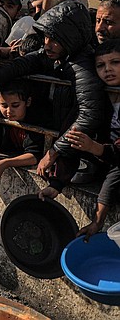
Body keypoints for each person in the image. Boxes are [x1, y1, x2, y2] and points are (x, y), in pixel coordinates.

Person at [0, 1, 109, 200]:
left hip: (79, 149)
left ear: (71, 38)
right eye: (45, 36)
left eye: (55, 39)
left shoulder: (83, 67)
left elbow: (88, 116)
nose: (47, 43)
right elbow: (17, 66)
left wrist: (54, 151)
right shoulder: (51, 54)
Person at [68, 39, 120, 240]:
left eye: (115, 62)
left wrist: (96, 148)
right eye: (101, 65)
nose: (108, 70)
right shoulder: (101, 95)